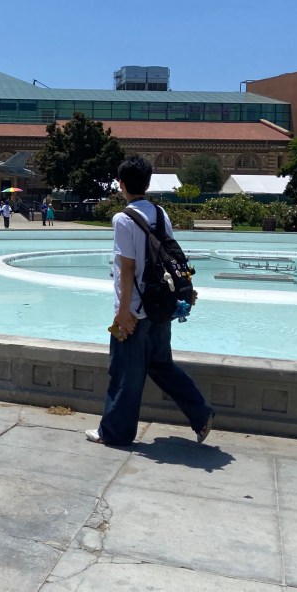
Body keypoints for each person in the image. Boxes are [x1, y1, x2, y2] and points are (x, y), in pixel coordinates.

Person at [85, 156, 214, 447]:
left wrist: (123, 312)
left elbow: (127, 269)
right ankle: (201, 413)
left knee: (123, 374)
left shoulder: (123, 219)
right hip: (162, 306)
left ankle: (114, 433)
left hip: (137, 310)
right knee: (160, 364)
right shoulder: (160, 213)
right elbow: (171, 258)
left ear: (121, 184)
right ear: (147, 182)